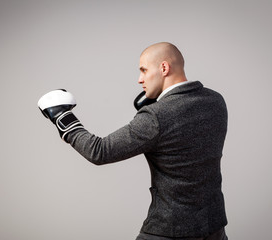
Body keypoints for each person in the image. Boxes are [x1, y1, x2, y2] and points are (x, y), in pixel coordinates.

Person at [38, 42, 228, 240]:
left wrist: (61, 115)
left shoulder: (156, 117)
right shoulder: (216, 101)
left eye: (144, 70)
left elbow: (99, 151)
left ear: (164, 68)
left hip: (170, 230)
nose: (140, 79)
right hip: (214, 227)